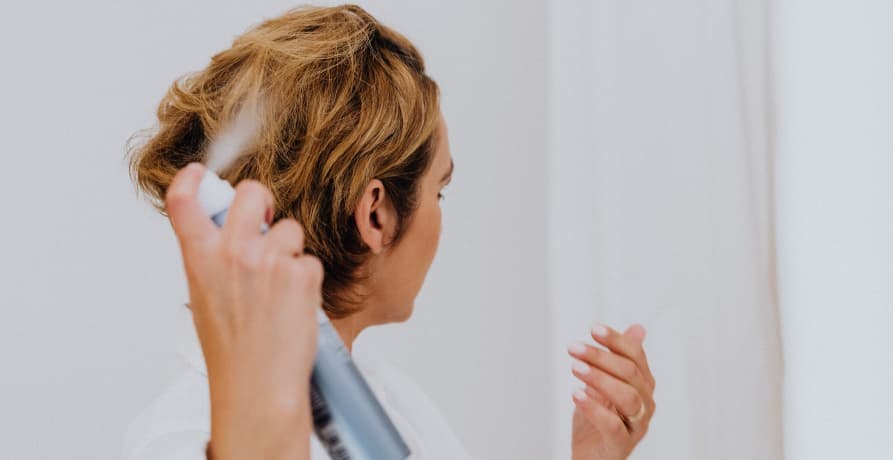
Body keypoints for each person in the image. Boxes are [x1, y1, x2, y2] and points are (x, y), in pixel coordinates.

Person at [123, 5, 655, 459]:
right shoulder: (182, 441)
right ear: (375, 213)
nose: (441, 215)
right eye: (437, 191)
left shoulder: (388, 406)